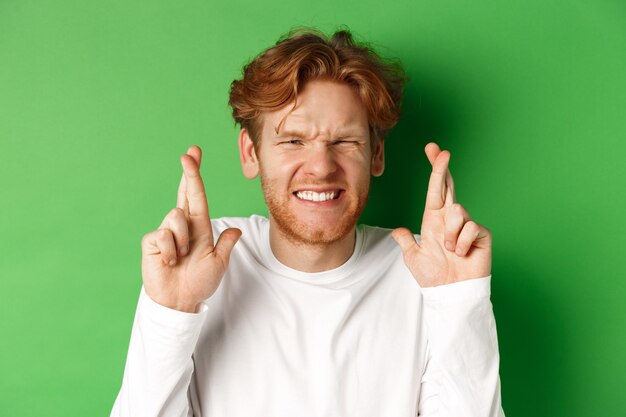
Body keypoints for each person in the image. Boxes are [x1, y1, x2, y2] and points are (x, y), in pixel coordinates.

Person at [111, 28, 504, 417]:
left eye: (345, 142)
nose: (320, 167)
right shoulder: (196, 264)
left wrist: (458, 304)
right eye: (293, 141)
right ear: (251, 153)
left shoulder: (427, 274)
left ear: (377, 155)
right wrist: (172, 310)